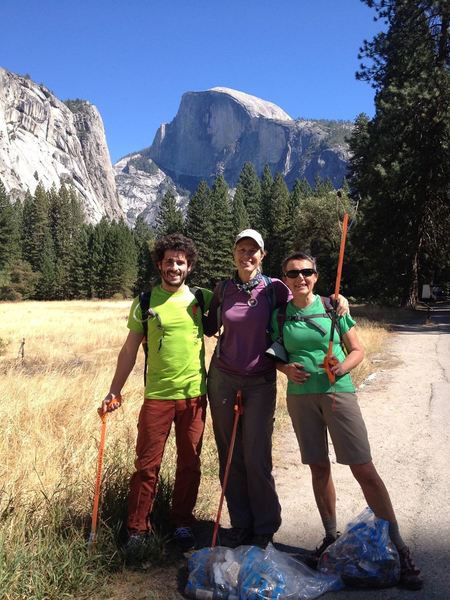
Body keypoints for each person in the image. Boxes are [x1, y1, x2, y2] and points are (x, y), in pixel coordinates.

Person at [271, 251, 423, 590]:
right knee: (318, 467)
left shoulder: (332, 307)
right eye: (293, 273)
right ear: (285, 278)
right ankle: (330, 536)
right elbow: (275, 353)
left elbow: (357, 350)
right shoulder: (281, 313)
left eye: (307, 272)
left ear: (316, 276)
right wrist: (285, 368)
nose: (300, 278)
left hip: (338, 392)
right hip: (300, 398)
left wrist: (342, 367)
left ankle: (400, 547)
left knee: (363, 467)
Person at [203, 230, 348, 549]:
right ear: (234, 253)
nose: (247, 255)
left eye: (253, 250)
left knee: (256, 455)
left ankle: (265, 526)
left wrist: (337, 301)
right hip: (223, 377)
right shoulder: (223, 288)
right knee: (229, 454)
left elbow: (304, 300)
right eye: (241, 249)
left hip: (260, 380)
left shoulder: (275, 288)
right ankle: (240, 523)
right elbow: (208, 325)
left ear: (262, 256)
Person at [101, 233, 212, 562]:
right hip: (158, 398)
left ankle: (181, 522)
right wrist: (114, 390)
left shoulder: (202, 299)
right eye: (168, 261)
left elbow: (244, 308)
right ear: (159, 265)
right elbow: (129, 350)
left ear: (189, 266)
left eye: (180, 262)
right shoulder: (146, 302)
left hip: (194, 397)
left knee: (190, 464)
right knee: (147, 466)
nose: (174, 267)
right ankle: (137, 529)